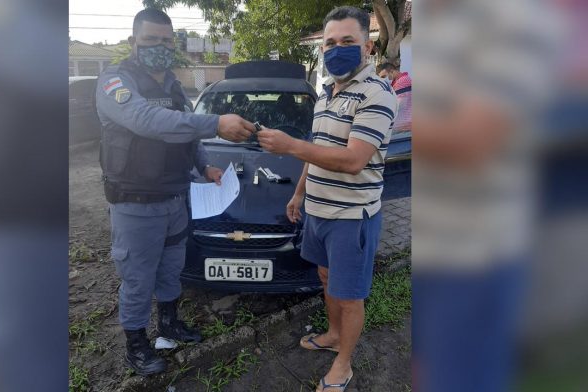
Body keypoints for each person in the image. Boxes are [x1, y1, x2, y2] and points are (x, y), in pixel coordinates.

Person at [95, 8, 255, 376]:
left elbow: (187, 134)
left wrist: (205, 166)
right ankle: (136, 345)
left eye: (166, 41)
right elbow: (146, 121)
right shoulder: (114, 82)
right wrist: (215, 123)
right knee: (138, 278)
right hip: (135, 203)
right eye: (150, 40)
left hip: (176, 199)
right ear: (133, 41)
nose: (159, 47)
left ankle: (169, 324)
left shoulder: (173, 85)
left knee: (171, 270)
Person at [257, 6, 397, 392]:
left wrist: (290, 144)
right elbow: (315, 151)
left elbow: (353, 160)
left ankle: (344, 364)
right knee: (325, 277)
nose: (337, 49)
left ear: (367, 48)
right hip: (318, 210)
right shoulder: (326, 95)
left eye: (348, 42)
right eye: (331, 43)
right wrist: (298, 193)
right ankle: (334, 334)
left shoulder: (376, 94)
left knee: (349, 294)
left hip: (351, 216)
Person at [376, 62, 411, 132]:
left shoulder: (402, 81)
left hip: (405, 126)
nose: (383, 80)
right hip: (403, 125)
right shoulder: (397, 82)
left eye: (383, 76)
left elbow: (401, 104)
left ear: (392, 71)